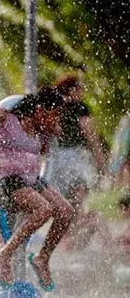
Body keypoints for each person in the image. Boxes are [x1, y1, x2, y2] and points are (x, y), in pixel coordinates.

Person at [0, 88, 74, 291]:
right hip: (7, 179)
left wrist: (53, 131)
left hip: (32, 179)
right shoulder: (8, 119)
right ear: (40, 110)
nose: (58, 118)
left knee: (66, 211)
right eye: (55, 113)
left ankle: (42, 258)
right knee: (44, 210)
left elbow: (53, 139)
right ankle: (3, 255)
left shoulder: (41, 129)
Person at [47, 75, 112, 250]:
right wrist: (100, 161)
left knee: (66, 203)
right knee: (78, 199)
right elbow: (91, 136)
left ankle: (69, 242)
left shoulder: (54, 106)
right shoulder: (80, 108)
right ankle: (86, 239)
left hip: (55, 159)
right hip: (74, 158)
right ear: (71, 90)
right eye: (80, 89)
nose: (82, 92)